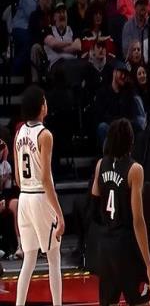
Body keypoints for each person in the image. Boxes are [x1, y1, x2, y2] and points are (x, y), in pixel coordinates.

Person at [91, 118, 150, 305]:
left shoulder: (100, 164)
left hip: (106, 246)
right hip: (126, 247)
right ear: (131, 141)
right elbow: (138, 220)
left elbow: (94, 201)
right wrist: (148, 264)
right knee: (141, 303)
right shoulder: (135, 169)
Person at [14, 85, 65, 306]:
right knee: (54, 258)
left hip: (24, 197)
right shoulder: (45, 135)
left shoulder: (18, 133)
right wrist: (59, 214)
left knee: (29, 259)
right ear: (40, 106)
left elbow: (17, 178)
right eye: (44, 100)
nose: (46, 103)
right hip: (39, 197)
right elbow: (45, 179)